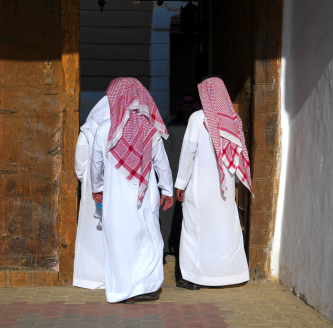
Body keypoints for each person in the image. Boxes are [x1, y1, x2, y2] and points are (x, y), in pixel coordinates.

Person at [90, 77, 174, 304]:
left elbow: (96, 164)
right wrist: (167, 189)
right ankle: (149, 286)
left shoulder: (104, 128)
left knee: (120, 241)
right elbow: (161, 163)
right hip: (145, 195)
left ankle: (123, 290)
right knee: (148, 238)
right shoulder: (149, 127)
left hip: (116, 197)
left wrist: (97, 188)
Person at [175, 76, 253, 289]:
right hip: (225, 187)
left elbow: (188, 152)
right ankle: (230, 275)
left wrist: (180, 183)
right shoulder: (233, 119)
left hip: (200, 187)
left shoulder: (198, 118)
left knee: (194, 231)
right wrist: (236, 180)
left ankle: (192, 278)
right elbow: (238, 155)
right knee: (225, 229)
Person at [159, 93, 200, 272]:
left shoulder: (199, 125)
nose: (185, 110)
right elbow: (164, 153)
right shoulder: (172, 126)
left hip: (193, 175)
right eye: (183, 106)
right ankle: (167, 246)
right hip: (173, 174)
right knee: (168, 212)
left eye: (188, 107)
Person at [73, 95, 110, 289]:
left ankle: (88, 277)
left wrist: (86, 181)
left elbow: (80, 162)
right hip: (116, 185)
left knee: (91, 231)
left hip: (92, 186)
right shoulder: (122, 128)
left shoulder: (87, 130)